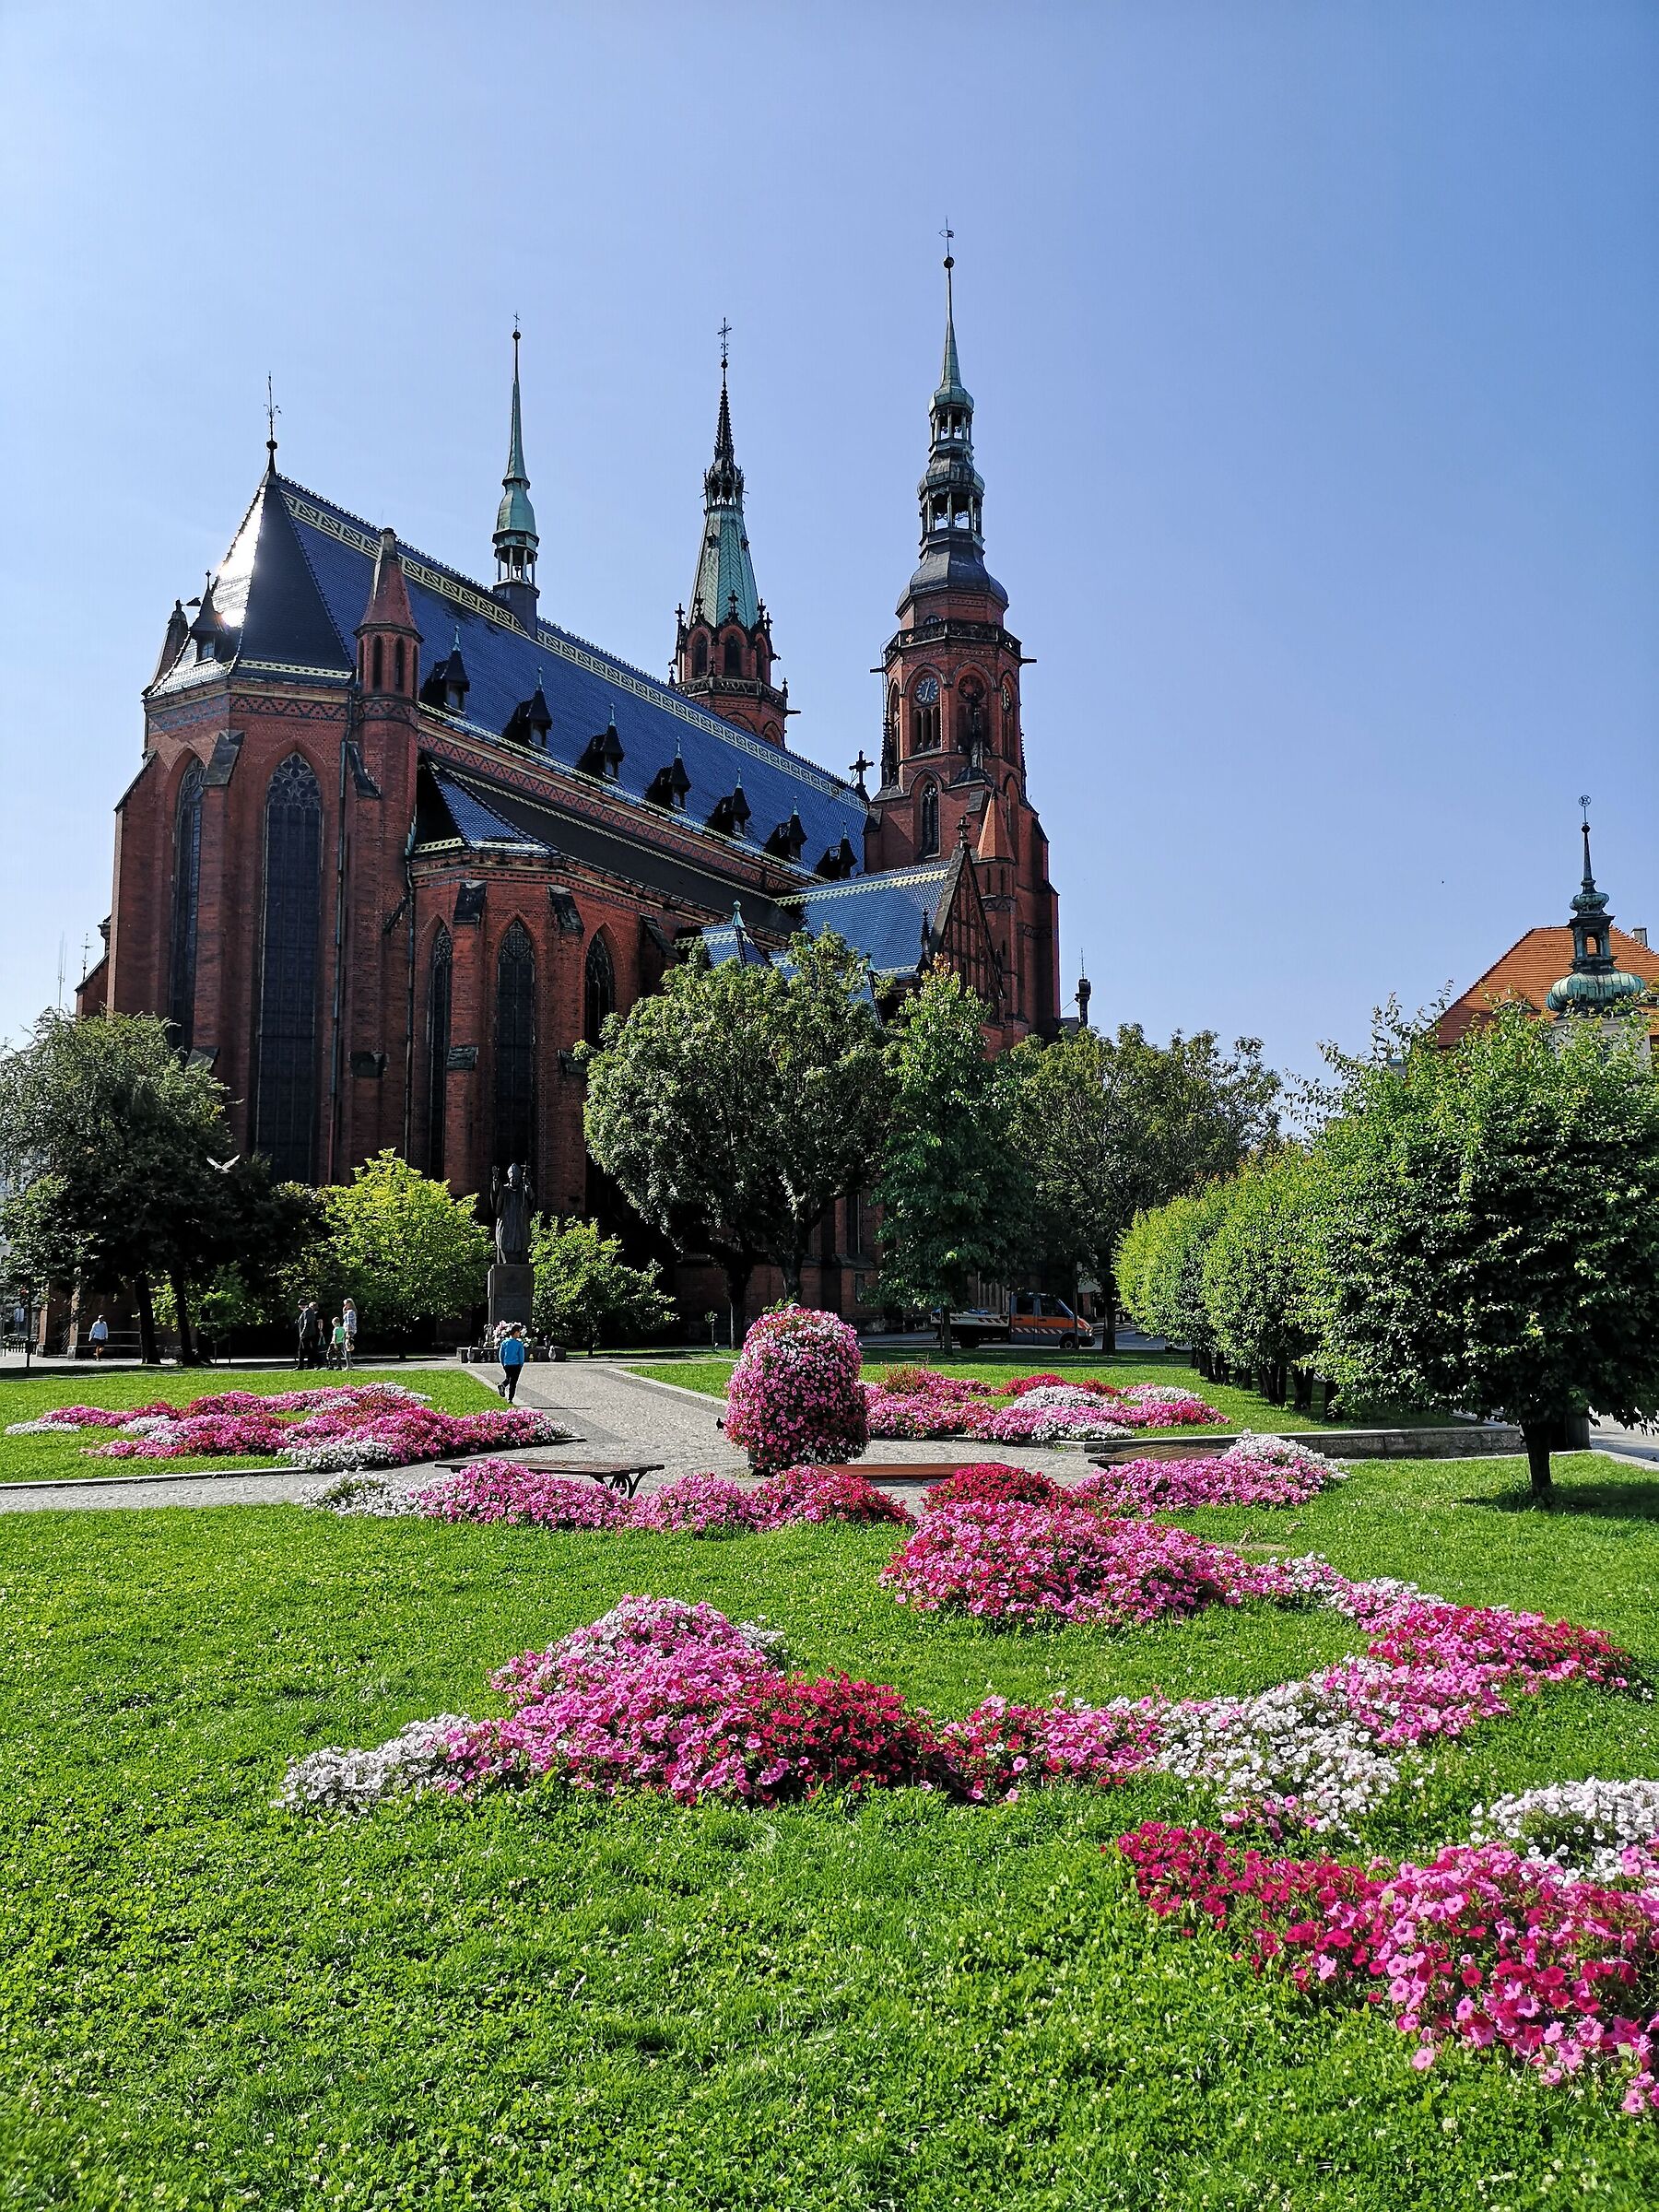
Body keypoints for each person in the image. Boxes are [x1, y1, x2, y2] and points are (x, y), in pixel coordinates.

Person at [498, 1324, 527, 1404]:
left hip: (507, 1364)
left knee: (508, 1378)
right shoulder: (519, 1344)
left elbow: (501, 1354)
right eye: (518, 1332)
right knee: (513, 1382)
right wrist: (521, 1364)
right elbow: (521, 1356)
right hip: (516, 1364)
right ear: (515, 1333)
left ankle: (503, 1385)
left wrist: (503, 1363)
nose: (519, 1334)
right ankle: (510, 1398)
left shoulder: (504, 1343)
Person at [296, 1300, 321, 1371]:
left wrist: (303, 1333)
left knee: (308, 1350)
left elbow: (307, 1323)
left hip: (307, 1335)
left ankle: (319, 1362)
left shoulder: (308, 1311)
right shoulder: (305, 1312)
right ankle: (302, 1365)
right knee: (301, 1350)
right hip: (305, 1334)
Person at [341, 1297, 358, 1371]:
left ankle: (348, 1365)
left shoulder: (351, 1312)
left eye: (346, 1304)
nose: (345, 1306)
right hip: (348, 1330)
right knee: (345, 1347)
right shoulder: (349, 1312)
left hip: (349, 1331)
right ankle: (349, 1363)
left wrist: (348, 1332)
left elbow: (349, 1323)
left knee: (347, 1347)